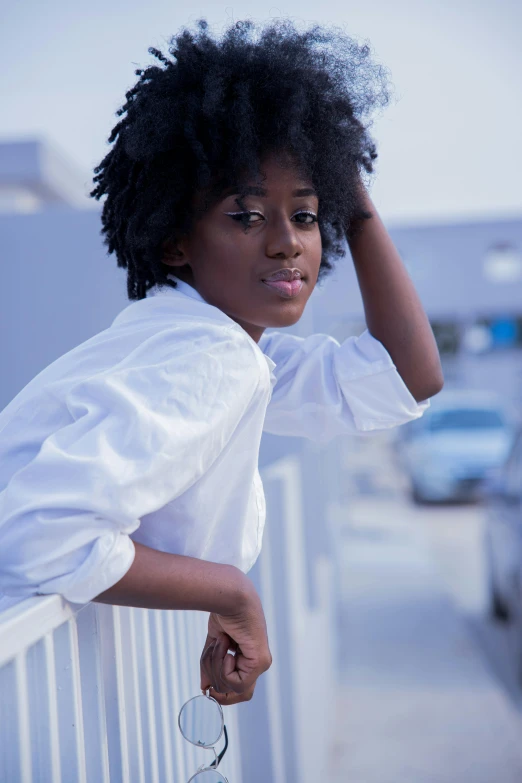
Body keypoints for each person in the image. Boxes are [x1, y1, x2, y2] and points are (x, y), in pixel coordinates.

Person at [0, 19, 443, 706]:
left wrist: (349, 196)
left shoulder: (218, 345)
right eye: (246, 216)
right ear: (176, 240)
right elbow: (40, 535)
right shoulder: (207, 358)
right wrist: (231, 591)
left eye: (304, 215)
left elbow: (405, 377)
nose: (286, 244)